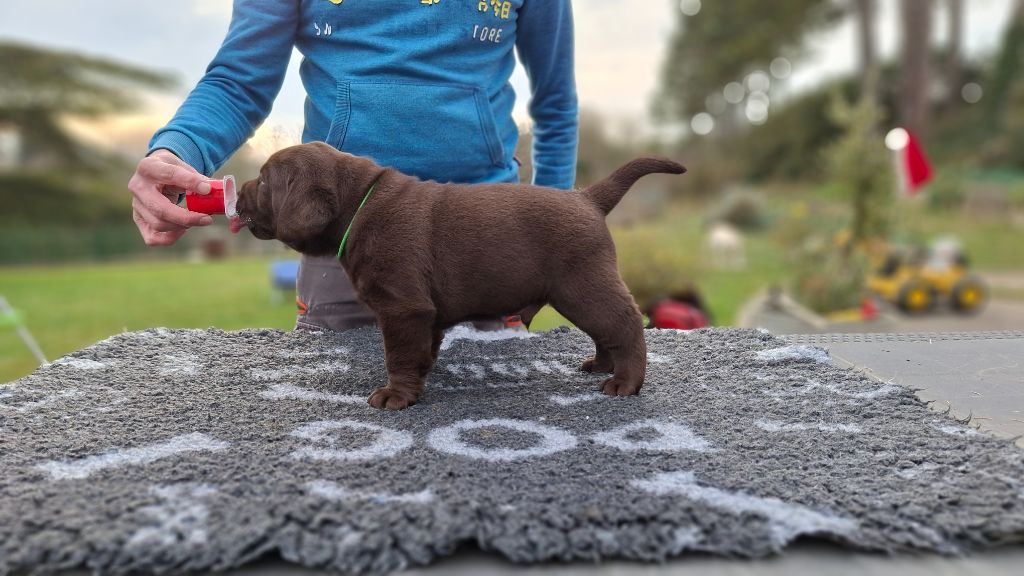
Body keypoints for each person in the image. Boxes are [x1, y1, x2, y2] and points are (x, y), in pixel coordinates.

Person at [128, 0, 578, 332]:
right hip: (341, 239)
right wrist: (176, 150)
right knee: (339, 430)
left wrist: (549, 232)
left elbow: (556, 102)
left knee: (497, 429)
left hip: (486, 240)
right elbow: (238, 83)